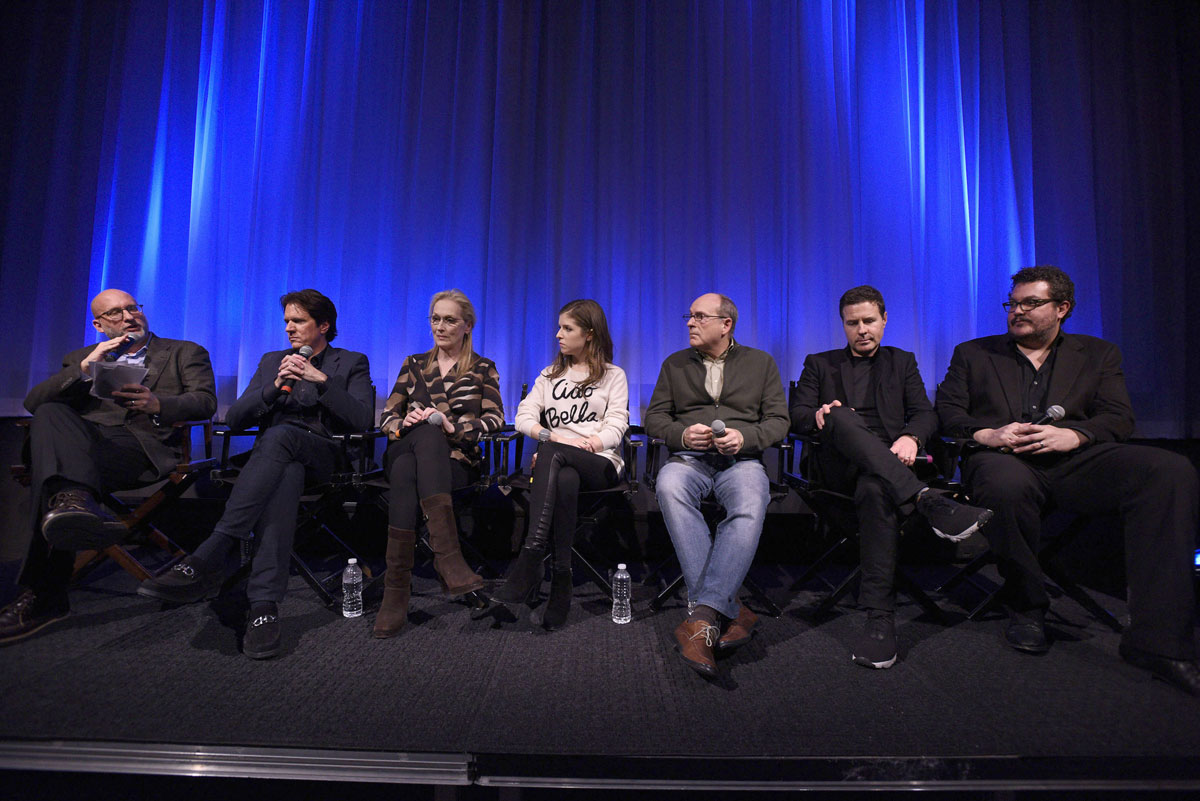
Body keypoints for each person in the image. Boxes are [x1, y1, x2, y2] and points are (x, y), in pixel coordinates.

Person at [936, 265, 1200, 695]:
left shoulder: (1098, 354)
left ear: (1063, 308)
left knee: (1169, 471)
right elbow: (948, 413)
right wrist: (989, 433)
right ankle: (1026, 605)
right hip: (1003, 459)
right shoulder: (973, 353)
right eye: (1013, 303)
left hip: (1075, 461)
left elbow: (1118, 419)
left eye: (1030, 303)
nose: (1016, 311)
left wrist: (1074, 434)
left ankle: (1161, 643)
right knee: (1004, 483)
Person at [138, 289, 373, 660]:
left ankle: (213, 551)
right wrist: (272, 388)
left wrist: (320, 379)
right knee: (284, 470)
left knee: (282, 439)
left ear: (324, 325)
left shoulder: (350, 362)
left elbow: (361, 420)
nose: (289, 329)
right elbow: (235, 419)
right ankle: (264, 610)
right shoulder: (271, 361)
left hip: (326, 458)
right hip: (278, 463)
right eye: (286, 322)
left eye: (298, 321)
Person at [790, 285, 992, 669]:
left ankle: (879, 621)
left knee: (875, 488)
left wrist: (910, 436)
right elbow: (797, 415)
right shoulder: (820, 363)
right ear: (843, 325)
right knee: (839, 415)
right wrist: (817, 415)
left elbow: (926, 413)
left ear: (884, 320)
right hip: (837, 467)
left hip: (891, 466)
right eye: (853, 323)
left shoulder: (903, 362)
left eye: (869, 321)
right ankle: (926, 499)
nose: (862, 329)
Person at [0, 289, 216, 644]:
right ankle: (74, 504)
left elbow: (205, 401)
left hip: (137, 450)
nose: (129, 316)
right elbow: (33, 402)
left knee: (54, 476)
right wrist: (85, 369)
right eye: (116, 314)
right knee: (52, 413)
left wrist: (157, 402)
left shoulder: (183, 351)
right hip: (84, 449)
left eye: (133, 308)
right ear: (99, 326)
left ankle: (44, 593)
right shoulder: (81, 358)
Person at [644, 293, 789, 677]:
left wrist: (746, 438)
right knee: (669, 486)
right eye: (688, 316)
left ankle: (702, 616)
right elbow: (654, 419)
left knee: (750, 501)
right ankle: (732, 608)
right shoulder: (674, 364)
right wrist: (681, 434)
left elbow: (779, 421)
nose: (689, 323)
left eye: (699, 317)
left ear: (726, 324)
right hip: (689, 460)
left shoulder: (761, 363)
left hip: (740, 461)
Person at [372, 289, 503, 638]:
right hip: (408, 448)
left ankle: (395, 592)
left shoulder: (482, 369)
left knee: (412, 461)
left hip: (455, 462)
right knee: (421, 435)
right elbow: (387, 418)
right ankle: (449, 559)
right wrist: (405, 423)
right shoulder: (414, 364)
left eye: (449, 320)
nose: (440, 326)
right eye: (435, 318)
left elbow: (494, 421)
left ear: (467, 326)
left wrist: (450, 426)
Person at [493, 299, 629, 629]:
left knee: (554, 453)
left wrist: (582, 444)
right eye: (559, 327)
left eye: (567, 328)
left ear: (590, 334)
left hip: (601, 462)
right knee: (564, 475)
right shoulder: (550, 375)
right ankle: (562, 580)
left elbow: (617, 425)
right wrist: (553, 436)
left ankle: (530, 556)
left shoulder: (613, 376)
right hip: (561, 465)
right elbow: (522, 416)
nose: (558, 335)